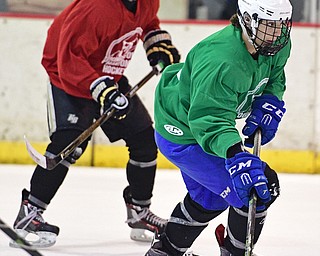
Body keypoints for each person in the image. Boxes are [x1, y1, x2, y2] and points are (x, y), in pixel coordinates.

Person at [11, 0, 180, 248]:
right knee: (69, 144)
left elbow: (148, 22)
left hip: (109, 76)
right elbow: (68, 58)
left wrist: (158, 45)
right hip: (69, 77)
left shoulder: (146, 1)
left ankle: (139, 211)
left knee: (144, 139)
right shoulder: (96, 7)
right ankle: (30, 213)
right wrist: (103, 91)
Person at [145, 0, 292, 255]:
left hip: (196, 120)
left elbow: (275, 77)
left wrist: (269, 100)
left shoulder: (273, 44)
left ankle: (164, 251)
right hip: (182, 129)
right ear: (247, 19)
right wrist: (235, 154)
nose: (277, 32)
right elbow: (208, 119)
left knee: (209, 198)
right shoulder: (221, 59)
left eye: (281, 24)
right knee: (254, 189)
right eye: (269, 24)